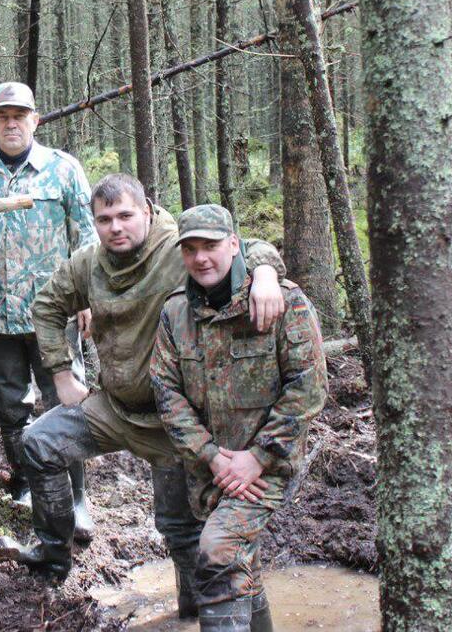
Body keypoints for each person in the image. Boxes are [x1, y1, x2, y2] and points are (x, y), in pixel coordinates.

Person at [0, 173, 285, 621]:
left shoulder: (177, 251)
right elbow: (47, 306)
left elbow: (243, 247)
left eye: (126, 215)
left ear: (147, 212)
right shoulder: (87, 264)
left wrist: (265, 272)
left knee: (180, 529)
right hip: (113, 407)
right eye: (105, 219)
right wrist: (60, 371)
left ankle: (192, 611)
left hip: (176, 421)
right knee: (39, 442)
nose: (116, 227)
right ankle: (54, 557)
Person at [151, 204, 327, 631]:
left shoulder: (282, 301)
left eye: (210, 246)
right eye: (190, 249)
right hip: (211, 467)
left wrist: (258, 457)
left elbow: (308, 388)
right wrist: (212, 456)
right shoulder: (176, 313)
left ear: (234, 245)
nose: (201, 258)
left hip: (270, 464)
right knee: (237, 563)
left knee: (216, 550)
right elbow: (166, 392)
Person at [0, 82, 96, 536]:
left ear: (35, 119)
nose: (11, 123)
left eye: (19, 115)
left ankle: (77, 497)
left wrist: (86, 296)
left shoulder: (63, 171)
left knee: (65, 400)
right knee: (10, 406)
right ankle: (28, 484)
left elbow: (85, 238)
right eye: (3, 116)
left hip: (54, 311)